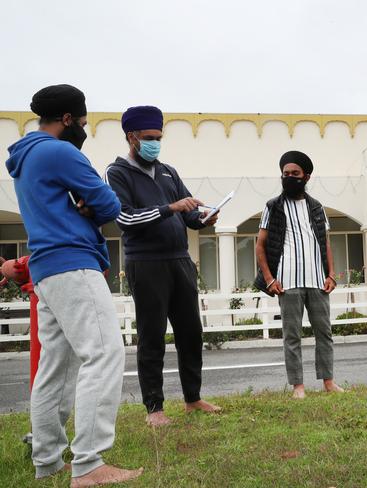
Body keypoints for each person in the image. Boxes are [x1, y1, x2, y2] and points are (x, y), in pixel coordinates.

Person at [6, 84, 142, 486]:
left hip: (46, 270)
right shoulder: (59, 151)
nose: (83, 128)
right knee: (103, 354)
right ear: (67, 119)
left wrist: (83, 203)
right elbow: (109, 203)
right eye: (82, 122)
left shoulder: (26, 158)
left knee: (57, 366)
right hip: (73, 263)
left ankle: (47, 460)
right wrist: (89, 206)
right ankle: (89, 464)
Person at [105, 105, 220, 427]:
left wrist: (202, 218)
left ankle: (193, 399)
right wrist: (170, 208)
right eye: (149, 138)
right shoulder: (117, 173)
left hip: (180, 261)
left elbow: (187, 215)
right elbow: (125, 219)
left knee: (190, 332)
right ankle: (154, 408)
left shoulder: (168, 171)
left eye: (159, 137)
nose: (155, 143)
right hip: (146, 263)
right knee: (152, 335)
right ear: (132, 137)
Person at [254, 151, 344, 399]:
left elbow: (325, 243)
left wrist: (331, 274)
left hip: (317, 281)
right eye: (286, 174)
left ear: (306, 176)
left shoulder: (317, 207)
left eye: (295, 174)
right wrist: (270, 278)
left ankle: (328, 382)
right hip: (287, 282)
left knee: (324, 334)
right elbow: (260, 245)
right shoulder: (273, 207)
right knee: (291, 336)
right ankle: (298, 387)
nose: (290, 178)